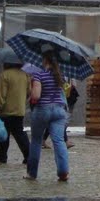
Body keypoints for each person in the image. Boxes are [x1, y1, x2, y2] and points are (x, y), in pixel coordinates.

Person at [26, 51, 70, 181]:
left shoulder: (39, 74)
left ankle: (32, 173)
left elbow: (36, 96)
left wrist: (31, 89)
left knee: (36, 141)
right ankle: (63, 172)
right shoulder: (60, 76)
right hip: (59, 111)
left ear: (45, 60)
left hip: (43, 110)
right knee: (59, 141)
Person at [0, 61, 30, 165]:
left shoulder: (5, 75)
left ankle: (2, 157)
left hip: (6, 110)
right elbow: (29, 92)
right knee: (19, 134)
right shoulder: (25, 75)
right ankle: (28, 156)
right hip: (19, 110)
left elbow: (1, 94)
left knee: (4, 134)